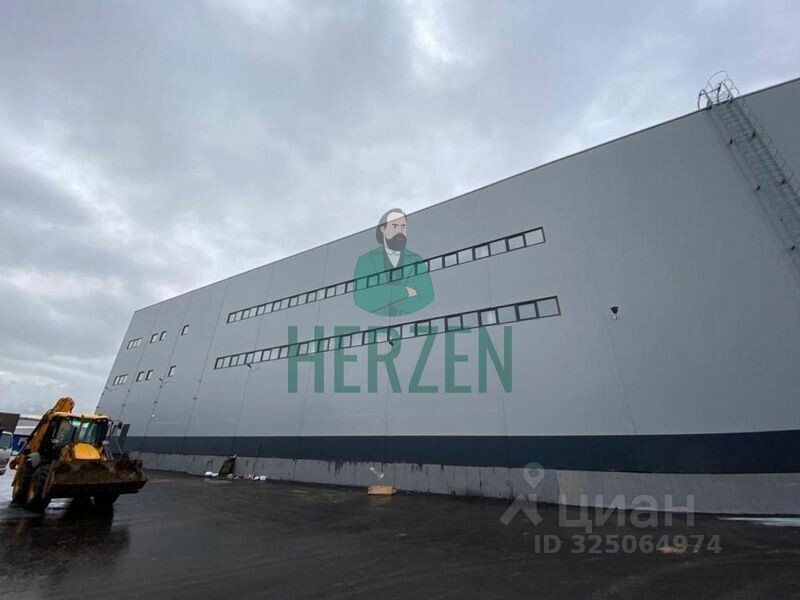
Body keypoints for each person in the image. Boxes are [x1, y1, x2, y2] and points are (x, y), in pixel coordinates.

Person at [353, 209, 434, 316]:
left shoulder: (416, 259)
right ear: (383, 229)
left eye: (403, 227)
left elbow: (427, 297)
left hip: (408, 323)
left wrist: (383, 298)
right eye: (395, 226)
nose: (400, 231)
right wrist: (405, 292)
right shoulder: (366, 260)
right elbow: (362, 298)